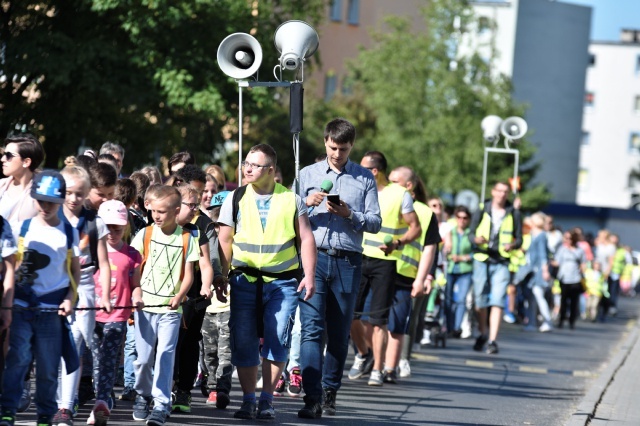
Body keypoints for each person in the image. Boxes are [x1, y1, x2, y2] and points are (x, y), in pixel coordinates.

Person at [218, 143, 316, 420]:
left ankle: (267, 400)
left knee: (277, 340)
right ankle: (248, 400)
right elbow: (225, 240)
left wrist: (309, 275)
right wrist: (220, 276)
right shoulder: (235, 198)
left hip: (283, 282)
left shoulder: (291, 199)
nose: (247, 168)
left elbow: (306, 238)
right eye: (246, 163)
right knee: (245, 341)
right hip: (244, 280)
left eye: (254, 164)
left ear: (270, 170)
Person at [296, 118, 381, 418]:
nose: (337, 154)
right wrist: (305, 202)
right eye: (333, 148)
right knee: (311, 330)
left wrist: (350, 213)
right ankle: (312, 396)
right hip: (313, 259)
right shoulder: (307, 174)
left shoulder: (364, 178)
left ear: (351, 147)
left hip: (347, 261)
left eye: (343, 149)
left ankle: (331, 389)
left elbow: (375, 221)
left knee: (338, 330)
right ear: (325, 142)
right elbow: (291, 216)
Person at [0, 170, 80, 426]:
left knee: (47, 367)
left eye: (51, 202)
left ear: (60, 201)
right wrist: (8, 304)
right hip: (22, 307)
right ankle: (7, 410)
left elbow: (75, 272)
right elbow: (10, 267)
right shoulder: (20, 228)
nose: (45, 206)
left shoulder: (69, 232)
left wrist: (71, 298)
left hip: (51, 311)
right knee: (18, 360)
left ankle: (45, 414)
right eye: (41, 200)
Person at [349, 151, 421, 386]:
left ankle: (378, 369)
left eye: (363, 167)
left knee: (379, 320)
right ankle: (363, 353)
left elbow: (415, 227)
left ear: (374, 171)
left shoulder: (400, 194)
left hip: (385, 262)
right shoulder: (358, 189)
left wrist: (398, 243)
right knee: (350, 314)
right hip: (358, 256)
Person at [130, 185, 199, 426]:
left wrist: (180, 296)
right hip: (145, 307)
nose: (156, 216)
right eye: (153, 211)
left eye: (162, 211)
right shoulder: (145, 234)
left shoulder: (187, 237)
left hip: (170, 310)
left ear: (176, 210)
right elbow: (135, 267)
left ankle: (161, 403)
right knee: (143, 359)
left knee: (165, 356)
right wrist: (135, 290)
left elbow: (189, 275)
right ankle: (142, 394)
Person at [56, 165, 113, 425]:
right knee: (54, 346)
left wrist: (106, 295)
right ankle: (59, 401)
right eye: (68, 193)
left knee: (76, 342)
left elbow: (104, 261)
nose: (73, 199)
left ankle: (66, 406)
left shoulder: (95, 222)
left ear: (87, 193)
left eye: (79, 193)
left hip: (87, 285)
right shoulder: (51, 217)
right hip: (56, 283)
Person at [89, 200, 144, 425]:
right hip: (92, 314)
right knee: (95, 359)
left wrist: (138, 297)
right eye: (107, 227)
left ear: (126, 228)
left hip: (118, 316)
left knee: (109, 358)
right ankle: (102, 394)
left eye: (117, 228)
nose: (111, 232)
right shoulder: (91, 251)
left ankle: (101, 400)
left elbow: (136, 284)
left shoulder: (132, 254)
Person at [383, 166, 439, 383]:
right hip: (379, 268)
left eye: (394, 182)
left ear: (409, 186)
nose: (390, 185)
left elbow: (430, 248)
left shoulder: (425, 213)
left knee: (397, 324)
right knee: (371, 321)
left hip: (406, 273)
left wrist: (424, 277)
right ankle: (372, 356)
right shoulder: (383, 201)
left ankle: (390, 368)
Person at [171, 184, 214, 414]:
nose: (195, 210)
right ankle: (163, 387)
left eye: (197, 206)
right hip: (164, 298)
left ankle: (184, 391)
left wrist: (206, 285)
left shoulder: (197, 231)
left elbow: (205, 264)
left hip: (192, 299)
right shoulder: (158, 229)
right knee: (167, 345)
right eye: (191, 205)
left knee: (188, 344)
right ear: (175, 206)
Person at [469, 181, 522, 354]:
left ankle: (492, 340)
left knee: (498, 300)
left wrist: (512, 245)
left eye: (505, 191)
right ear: (493, 192)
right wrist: (476, 240)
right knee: (480, 301)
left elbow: (519, 239)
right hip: (482, 258)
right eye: (499, 191)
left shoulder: (513, 212)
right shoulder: (482, 208)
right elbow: (471, 233)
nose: (502, 194)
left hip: (501, 261)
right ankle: (483, 332)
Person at [201, 190, 232, 409]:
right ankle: (211, 383)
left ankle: (221, 389)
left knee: (226, 352)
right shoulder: (206, 237)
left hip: (231, 305)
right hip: (209, 305)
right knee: (209, 351)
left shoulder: (237, 239)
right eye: (217, 214)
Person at [443, 205, 473, 337]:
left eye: (465, 218)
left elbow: (476, 253)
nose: (462, 220)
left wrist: (463, 257)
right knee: (448, 299)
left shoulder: (472, 234)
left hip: (465, 270)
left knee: (461, 300)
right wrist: (447, 251)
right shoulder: (450, 232)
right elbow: (443, 249)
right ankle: (449, 327)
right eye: (459, 217)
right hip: (450, 269)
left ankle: (456, 327)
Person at [520, 212, 553, 333]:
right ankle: (532, 322)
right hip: (532, 270)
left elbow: (543, 254)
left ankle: (547, 320)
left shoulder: (541, 236)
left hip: (538, 271)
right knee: (532, 298)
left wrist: (544, 270)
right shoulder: (533, 235)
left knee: (538, 296)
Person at [552, 229, 587, 329]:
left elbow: (583, 263)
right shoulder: (562, 249)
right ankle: (561, 320)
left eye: (569, 238)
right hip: (564, 278)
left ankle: (572, 321)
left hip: (575, 278)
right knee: (563, 301)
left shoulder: (579, 250)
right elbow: (557, 262)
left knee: (574, 302)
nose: (567, 240)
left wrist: (583, 271)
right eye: (565, 238)